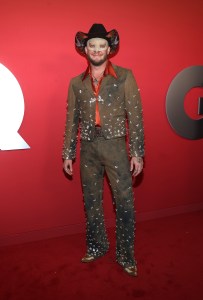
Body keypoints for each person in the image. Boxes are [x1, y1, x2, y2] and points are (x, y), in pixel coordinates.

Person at [63, 23, 144, 277]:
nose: (96, 50)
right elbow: (71, 119)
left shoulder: (125, 76)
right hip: (88, 148)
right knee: (91, 202)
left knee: (124, 202)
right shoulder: (76, 83)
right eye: (92, 46)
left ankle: (125, 255)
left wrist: (137, 152)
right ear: (85, 49)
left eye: (101, 46)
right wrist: (68, 152)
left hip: (116, 147)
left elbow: (136, 116)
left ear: (109, 49)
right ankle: (97, 246)